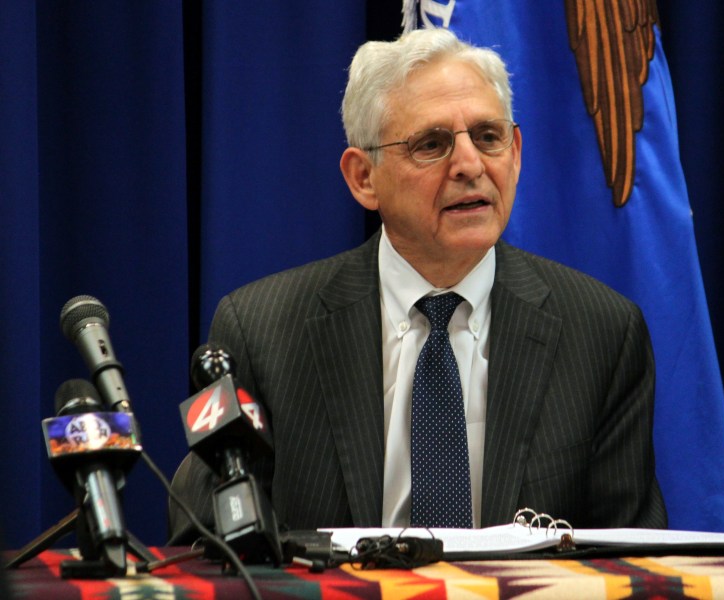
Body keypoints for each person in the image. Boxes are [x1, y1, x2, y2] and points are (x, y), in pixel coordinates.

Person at [169, 27, 666, 543]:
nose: (471, 166)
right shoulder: (263, 332)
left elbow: (633, 565)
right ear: (364, 177)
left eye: (488, 137)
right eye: (432, 145)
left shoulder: (602, 333)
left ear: (515, 153)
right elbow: (207, 546)